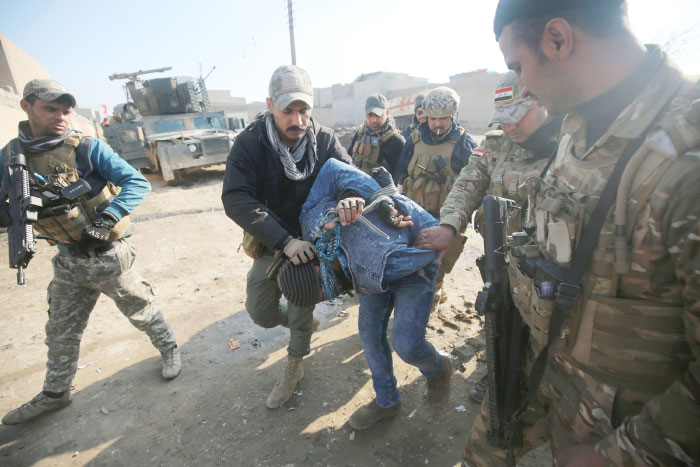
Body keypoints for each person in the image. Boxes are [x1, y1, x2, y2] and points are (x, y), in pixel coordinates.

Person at [461, 1, 700, 465]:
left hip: (621, 428)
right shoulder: (576, 124)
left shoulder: (684, 158)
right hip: (537, 374)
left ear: (557, 39)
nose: (522, 85)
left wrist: (622, 454)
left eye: (518, 66)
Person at [0, 79, 181, 425]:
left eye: (65, 110)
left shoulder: (86, 148)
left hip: (109, 254)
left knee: (140, 310)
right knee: (60, 330)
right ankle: (55, 393)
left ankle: (170, 349)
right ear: (26, 107)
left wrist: (108, 217)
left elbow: (137, 182)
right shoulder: (11, 157)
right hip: (68, 260)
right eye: (50, 108)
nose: (60, 116)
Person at [414, 70, 562, 403]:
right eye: (503, 119)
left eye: (518, 116)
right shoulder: (495, 144)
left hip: (549, 267)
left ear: (544, 103)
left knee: (545, 330)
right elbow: (468, 183)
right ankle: (495, 369)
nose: (510, 127)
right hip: (501, 259)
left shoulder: (570, 145)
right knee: (499, 316)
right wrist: (449, 225)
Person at [274, 158, 451, 430]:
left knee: (407, 345)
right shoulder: (349, 270)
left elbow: (334, 167)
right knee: (370, 336)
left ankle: (438, 370)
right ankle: (387, 402)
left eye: (326, 290)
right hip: (373, 276)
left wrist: (352, 194)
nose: (329, 297)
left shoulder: (311, 217)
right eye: (324, 298)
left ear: (314, 263)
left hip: (411, 273)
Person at [221, 65, 352, 410]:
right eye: (288, 110)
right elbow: (236, 198)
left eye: (303, 109)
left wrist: (352, 197)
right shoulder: (251, 143)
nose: (297, 120)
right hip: (273, 242)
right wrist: (284, 241)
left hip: (311, 248)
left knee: (299, 303)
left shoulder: (323, 140)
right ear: (269, 105)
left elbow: (349, 177)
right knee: (260, 312)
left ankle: (295, 362)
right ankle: (304, 323)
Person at [395, 86, 478, 305]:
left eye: (444, 118)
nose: (438, 124)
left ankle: (435, 290)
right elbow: (402, 172)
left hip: (446, 216)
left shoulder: (463, 142)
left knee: (438, 264)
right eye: (433, 119)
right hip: (416, 211)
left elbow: (475, 182)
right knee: (414, 258)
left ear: (453, 116)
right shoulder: (414, 138)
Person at [348, 94, 405, 176]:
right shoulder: (359, 135)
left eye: (378, 115)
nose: (373, 120)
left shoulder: (396, 141)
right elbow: (348, 162)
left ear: (387, 112)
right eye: (370, 115)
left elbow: (400, 177)